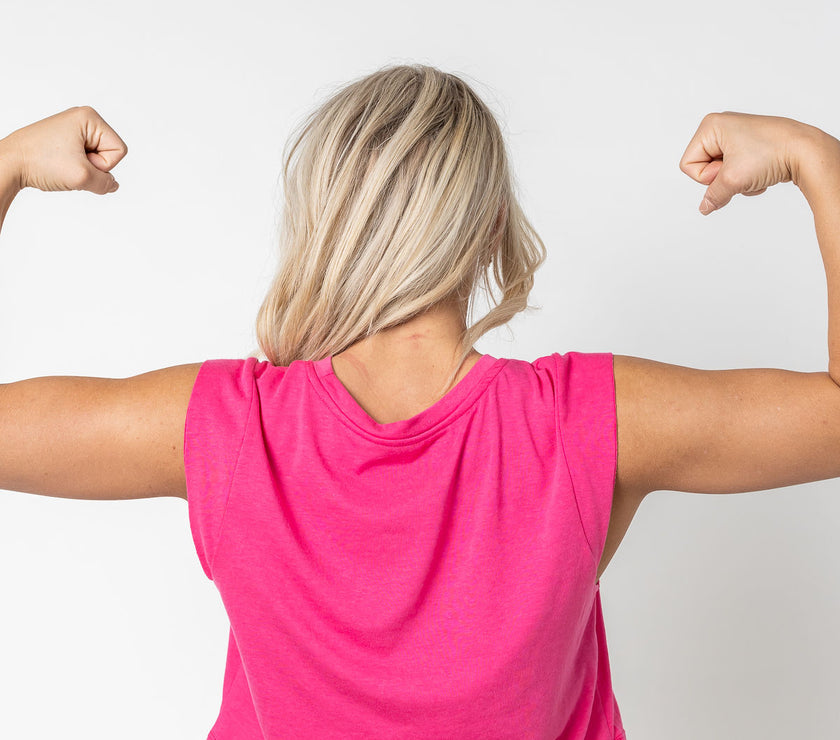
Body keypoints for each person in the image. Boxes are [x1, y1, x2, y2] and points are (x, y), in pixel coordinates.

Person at [0, 64, 838, 740]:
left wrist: (5, 165)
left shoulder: (225, 424)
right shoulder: (588, 418)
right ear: (487, 227)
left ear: (322, 220)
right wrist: (812, 156)